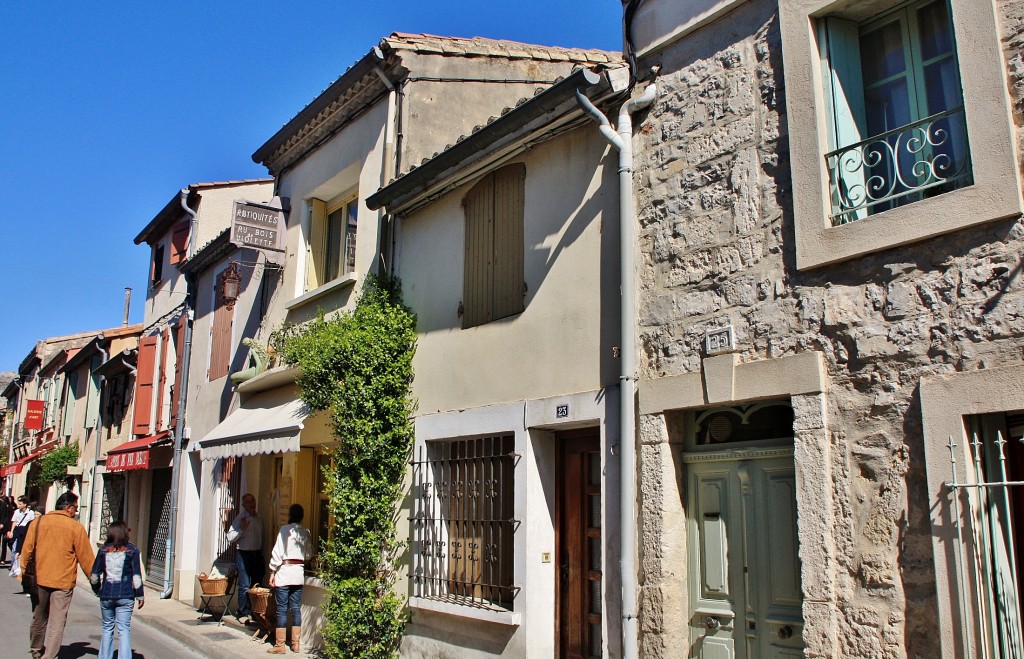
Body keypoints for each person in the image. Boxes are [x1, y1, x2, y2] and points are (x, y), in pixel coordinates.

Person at [20, 491, 95, 659]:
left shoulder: (38, 523)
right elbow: (86, 558)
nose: (76, 511)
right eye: (75, 508)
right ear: (68, 508)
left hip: (39, 578)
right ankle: (50, 656)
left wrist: (23, 574)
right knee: (57, 622)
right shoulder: (76, 528)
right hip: (63, 581)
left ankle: (36, 650)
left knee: (39, 617)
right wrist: (94, 580)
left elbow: (27, 550)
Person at [90, 521, 144, 659]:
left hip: (107, 594)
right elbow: (136, 576)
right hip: (126, 594)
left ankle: (104, 656)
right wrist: (140, 595)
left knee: (107, 628)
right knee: (124, 629)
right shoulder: (133, 551)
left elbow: (94, 576)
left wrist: (97, 590)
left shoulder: (103, 550)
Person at [266, 503, 312, 655]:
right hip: (298, 573)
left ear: (290, 515)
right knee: (295, 609)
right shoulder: (306, 532)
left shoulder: (285, 530)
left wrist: (272, 571)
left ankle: (280, 645)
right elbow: (308, 555)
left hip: (284, 572)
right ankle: (295, 644)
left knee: (281, 609)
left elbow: (277, 552)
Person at [226, 493, 264, 622]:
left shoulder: (258, 518)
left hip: (256, 554)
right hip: (244, 554)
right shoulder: (240, 518)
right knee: (244, 585)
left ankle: (254, 611)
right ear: (244, 505)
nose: (252, 503)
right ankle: (243, 612)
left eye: (253, 500)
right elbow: (230, 537)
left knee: (256, 584)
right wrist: (241, 529)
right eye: (248, 502)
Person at [8, 496, 37, 591]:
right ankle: (14, 566)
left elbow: (31, 524)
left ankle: (19, 567)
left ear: (25, 504)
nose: (18, 505)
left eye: (20, 504)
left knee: (20, 549)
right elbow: (14, 522)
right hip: (18, 530)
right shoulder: (17, 512)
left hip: (26, 531)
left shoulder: (31, 513)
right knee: (14, 548)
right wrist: (12, 532)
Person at [0, 495, 13, 566]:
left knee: (4, 544)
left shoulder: (7, 507)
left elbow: (7, 517)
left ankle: (2, 559)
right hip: (3, 527)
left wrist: (3, 524)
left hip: (5, 527)